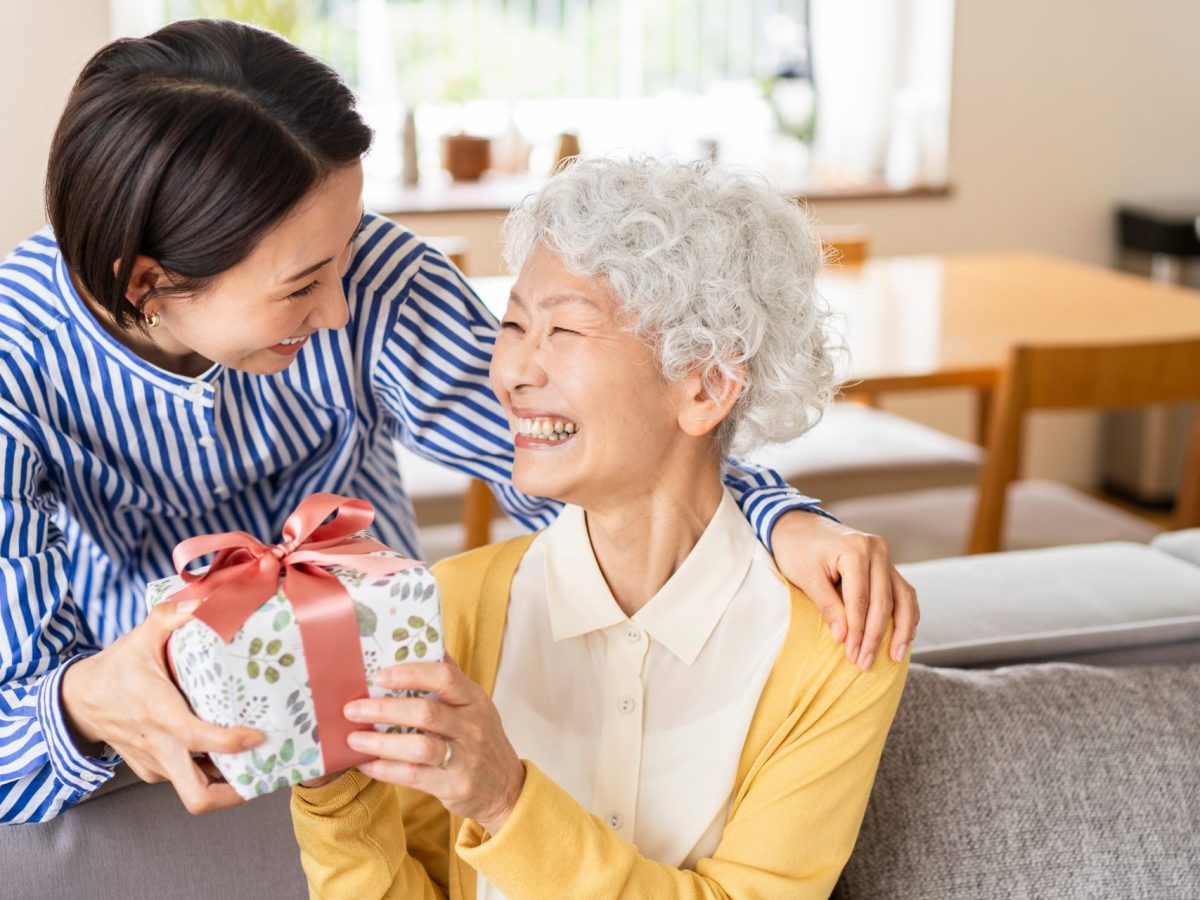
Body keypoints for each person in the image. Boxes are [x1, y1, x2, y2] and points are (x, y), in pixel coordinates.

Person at [0, 19, 915, 826]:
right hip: (147, 747)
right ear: (148, 283)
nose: (339, 309)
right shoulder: (14, 366)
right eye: (300, 286)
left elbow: (580, 459)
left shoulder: (373, 278)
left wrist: (774, 517)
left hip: (388, 692)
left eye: (346, 251)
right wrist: (84, 699)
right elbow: (12, 738)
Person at [291, 157, 909, 898]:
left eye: (563, 328)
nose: (511, 370)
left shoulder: (839, 643)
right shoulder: (446, 607)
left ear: (708, 383)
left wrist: (506, 801)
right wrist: (331, 796)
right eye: (513, 324)